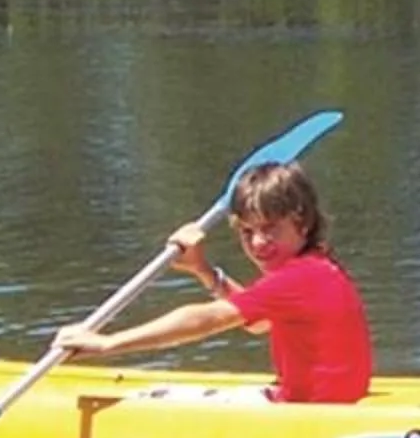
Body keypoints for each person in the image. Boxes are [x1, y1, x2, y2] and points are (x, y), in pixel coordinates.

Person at [53, 160, 374, 402]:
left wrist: (108, 343)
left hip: (306, 414)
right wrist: (203, 269)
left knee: (152, 399)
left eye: (270, 228)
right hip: (317, 405)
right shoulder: (320, 266)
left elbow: (206, 319)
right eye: (247, 231)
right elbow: (259, 323)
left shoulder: (298, 279)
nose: (258, 242)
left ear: (302, 223)